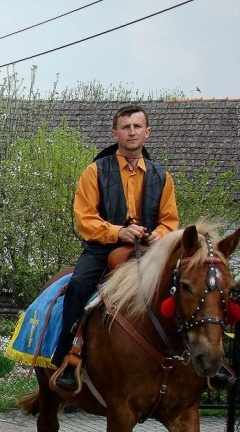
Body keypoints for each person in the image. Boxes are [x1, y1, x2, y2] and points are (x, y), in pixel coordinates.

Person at [51, 104, 180, 392]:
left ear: (147, 132)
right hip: (103, 248)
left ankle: (190, 358)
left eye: (137, 126)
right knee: (79, 285)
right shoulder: (95, 171)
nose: (131, 131)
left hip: (148, 251)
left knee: (187, 286)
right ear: (115, 133)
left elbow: (170, 221)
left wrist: (158, 235)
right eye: (126, 127)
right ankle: (66, 359)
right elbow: (85, 219)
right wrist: (119, 231)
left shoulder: (163, 176)